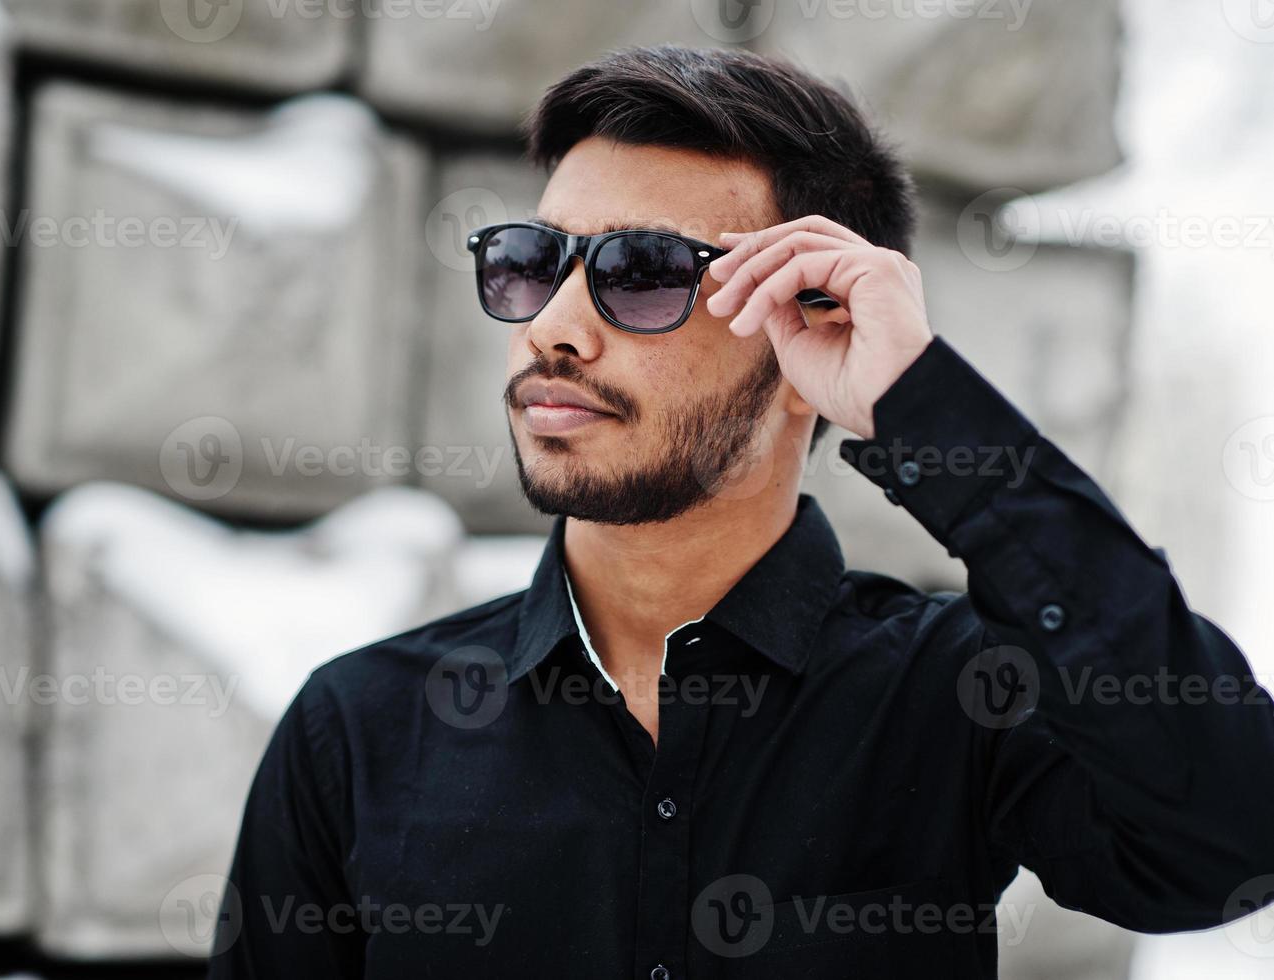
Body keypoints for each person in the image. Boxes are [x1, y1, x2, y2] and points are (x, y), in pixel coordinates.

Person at [208, 45, 1274, 978]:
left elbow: (1230, 843)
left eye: (643, 271)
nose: (557, 327)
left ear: (813, 337)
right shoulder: (357, 729)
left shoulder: (954, 696)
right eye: (534, 262)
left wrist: (928, 410)